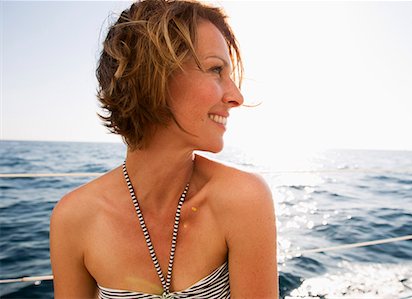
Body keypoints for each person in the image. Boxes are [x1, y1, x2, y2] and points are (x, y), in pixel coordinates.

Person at [50, 0, 278, 298]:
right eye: (215, 69)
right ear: (153, 76)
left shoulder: (244, 199)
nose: (236, 96)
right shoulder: (73, 219)